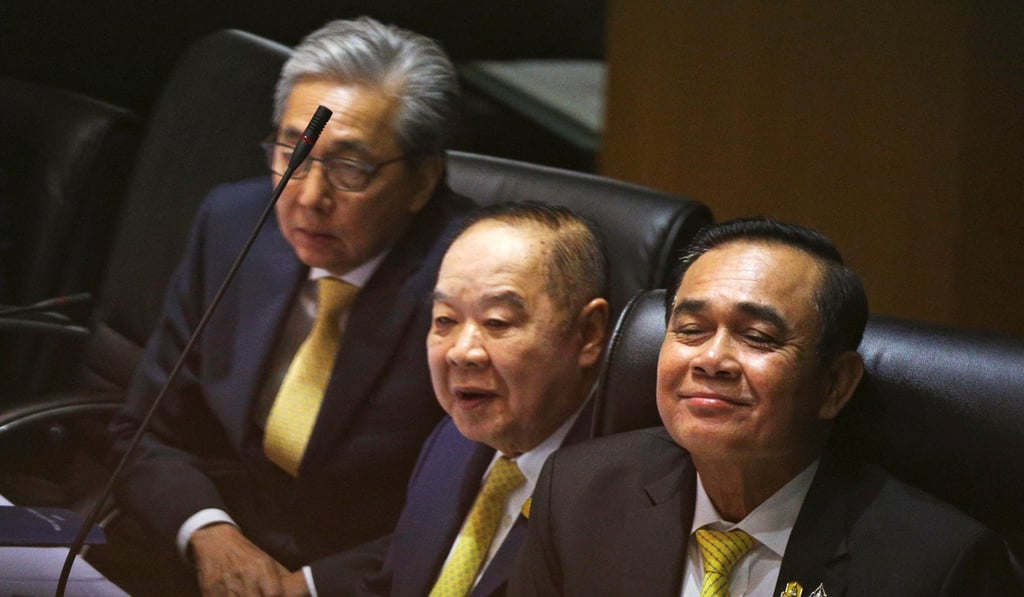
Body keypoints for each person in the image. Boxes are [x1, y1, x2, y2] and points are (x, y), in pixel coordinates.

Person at [104, 17, 474, 596]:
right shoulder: (233, 225)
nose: (308, 197)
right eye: (292, 152)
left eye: (350, 169)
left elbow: (477, 511)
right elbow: (145, 430)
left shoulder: (471, 285)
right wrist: (210, 534)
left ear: (423, 181)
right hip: (214, 551)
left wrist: (311, 586)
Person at [510, 217, 1020, 596]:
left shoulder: (938, 567)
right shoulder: (580, 492)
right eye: (691, 330)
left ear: (835, 385)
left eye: (757, 336)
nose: (712, 359)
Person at [313, 202, 610, 596]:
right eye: (445, 320)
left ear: (588, 333)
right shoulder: (451, 441)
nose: (461, 351)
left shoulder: (620, 500)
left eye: (497, 322)